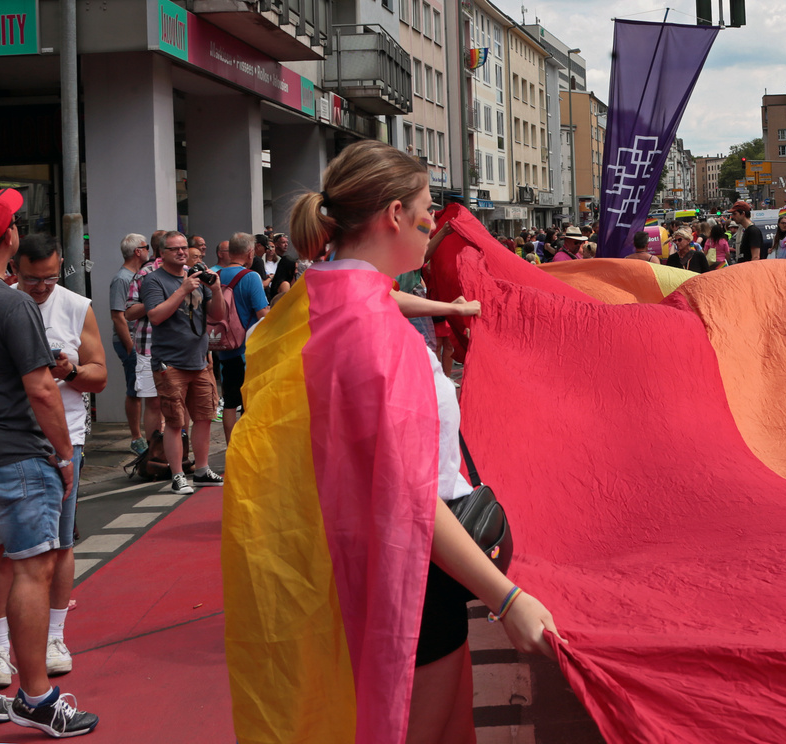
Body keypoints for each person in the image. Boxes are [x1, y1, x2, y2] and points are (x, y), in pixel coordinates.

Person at [229, 140, 561, 744]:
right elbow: (411, 500)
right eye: (428, 210)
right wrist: (508, 600)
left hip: (345, 561)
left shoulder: (314, 303)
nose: (434, 225)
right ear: (392, 216)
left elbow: (376, 294)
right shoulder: (379, 339)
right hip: (406, 576)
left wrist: (451, 304)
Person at [0, 190, 98, 735]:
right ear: (8, 238)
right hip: (13, 453)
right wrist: (62, 453)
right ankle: (38, 698)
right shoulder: (12, 303)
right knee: (34, 567)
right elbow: (42, 390)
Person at [0, 235, 109, 680]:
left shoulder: (76, 305)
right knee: (2, 550)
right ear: (13, 268)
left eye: (51, 278)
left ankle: (56, 635)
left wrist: (70, 371)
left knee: (59, 545)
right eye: (32, 279)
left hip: (63, 439)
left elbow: (99, 375)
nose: (41, 287)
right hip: (6, 437)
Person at [135, 232, 226, 494]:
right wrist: (183, 289)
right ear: (162, 253)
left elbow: (218, 315)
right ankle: (177, 475)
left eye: (184, 248)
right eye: (174, 249)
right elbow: (155, 316)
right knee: (175, 422)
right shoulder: (153, 280)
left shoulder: (198, 277)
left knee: (204, 417)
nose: (181, 253)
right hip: (170, 363)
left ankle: (202, 469)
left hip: (199, 360)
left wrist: (216, 289)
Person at [215, 233, 270, 443]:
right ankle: (246, 448)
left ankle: (231, 448)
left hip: (224, 347)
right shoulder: (251, 277)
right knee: (249, 402)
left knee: (229, 401)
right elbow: (263, 315)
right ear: (250, 252)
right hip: (247, 350)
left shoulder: (216, 275)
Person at [109, 234, 151, 456]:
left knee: (143, 388)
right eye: (146, 247)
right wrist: (130, 346)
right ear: (137, 251)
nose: (148, 251)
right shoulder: (122, 278)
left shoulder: (137, 275)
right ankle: (136, 437)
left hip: (140, 340)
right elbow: (118, 316)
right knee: (134, 389)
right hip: (130, 341)